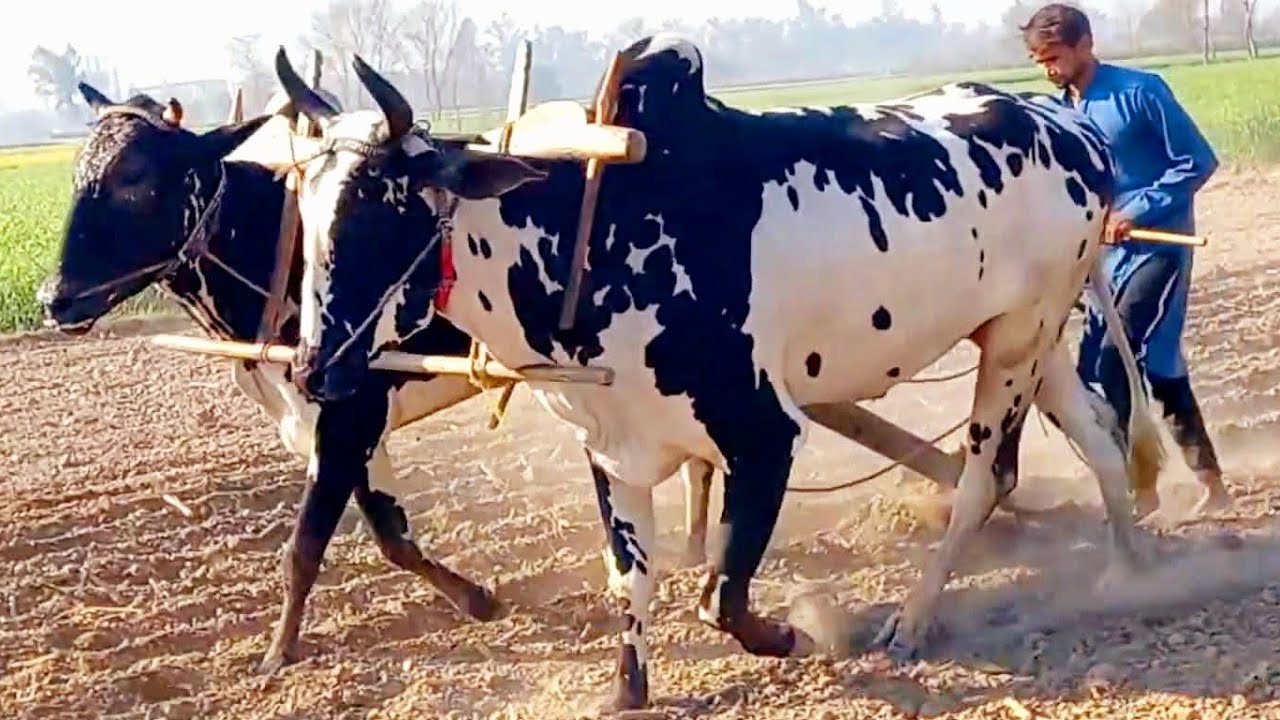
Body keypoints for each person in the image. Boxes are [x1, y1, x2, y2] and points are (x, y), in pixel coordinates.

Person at [1020, 3, 1230, 518]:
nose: (1049, 69)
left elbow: (1198, 161)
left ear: (1085, 45)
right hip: (1098, 261)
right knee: (1152, 366)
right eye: (1039, 61)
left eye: (1055, 57)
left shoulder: (1142, 92)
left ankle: (1138, 492)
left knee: (1115, 359)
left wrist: (1137, 209)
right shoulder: (1060, 112)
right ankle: (1211, 485)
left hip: (1158, 249)